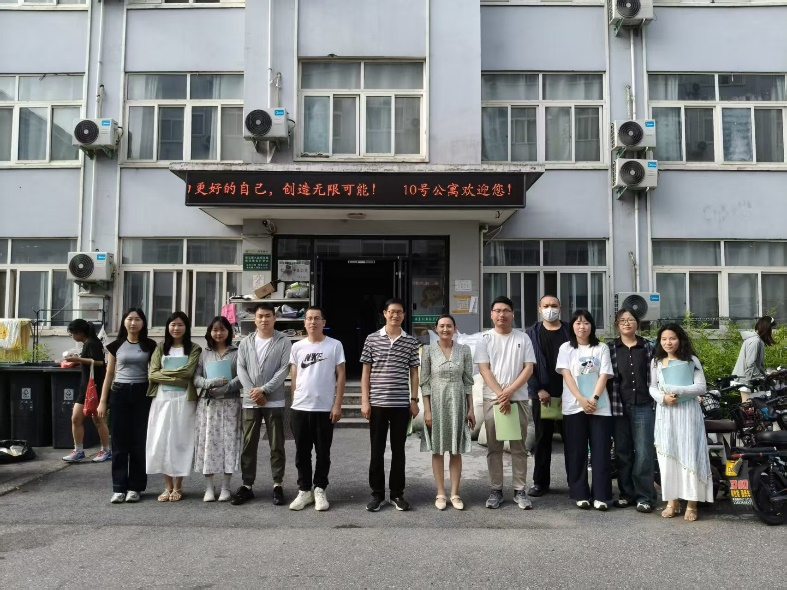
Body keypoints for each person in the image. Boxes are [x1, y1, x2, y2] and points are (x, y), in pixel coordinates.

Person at [475, 296, 536, 510]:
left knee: (519, 447)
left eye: (506, 310)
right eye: (498, 311)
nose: (502, 314)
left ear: (513, 314)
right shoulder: (484, 339)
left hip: (518, 399)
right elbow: (484, 369)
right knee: (494, 448)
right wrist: (501, 394)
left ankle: (520, 490)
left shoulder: (523, 338)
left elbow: (528, 368)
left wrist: (509, 392)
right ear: (491, 314)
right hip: (493, 400)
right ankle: (496, 490)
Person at [360, 297, 420, 512]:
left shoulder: (410, 341)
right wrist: (365, 401)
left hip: (400, 405)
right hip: (377, 403)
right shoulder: (372, 339)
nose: (395, 315)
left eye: (399, 312)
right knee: (376, 451)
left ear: (403, 315)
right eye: (391, 311)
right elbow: (366, 372)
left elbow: (414, 373)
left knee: (398, 451)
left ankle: (397, 494)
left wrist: (414, 400)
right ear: (384, 314)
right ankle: (377, 494)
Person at [649, 323, 712, 522]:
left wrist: (676, 389)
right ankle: (672, 502)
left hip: (687, 412)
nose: (668, 342)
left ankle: (692, 504)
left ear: (680, 339)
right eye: (664, 339)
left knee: (689, 454)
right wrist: (662, 398)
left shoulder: (691, 360)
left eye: (672, 338)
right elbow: (652, 386)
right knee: (668, 456)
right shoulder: (656, 362)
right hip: (666, 413)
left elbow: (701, 387)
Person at [287, 306, 346, 512]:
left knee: (323, 452)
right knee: (301, 453)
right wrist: (295, 400)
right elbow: (294, 376)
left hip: (324, 408)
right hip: (300, 408)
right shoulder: (297, 347)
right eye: (309, 318)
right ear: (304, 322)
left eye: (317, 318)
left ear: (323, 322)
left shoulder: (334, 345)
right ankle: (304, 490)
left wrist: (337, 404)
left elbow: (341, 375)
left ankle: (320, 489)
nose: (313, 322)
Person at [233, 302, 292, 506]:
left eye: (268, 316)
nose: (264, 319)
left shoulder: (283, 341)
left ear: (274, 318)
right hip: (251, 401)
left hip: (274, 400)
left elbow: (284, 369)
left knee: (277, 444)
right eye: (260, 316)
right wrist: (254, 391)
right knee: (249, 444)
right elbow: (240, 368)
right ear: (255, 319)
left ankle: (278, 484)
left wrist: (264, 390)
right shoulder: (245, 342)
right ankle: (247, 485)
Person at [98, 309, 157, 504]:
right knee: (119, 442)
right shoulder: (115, 346)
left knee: (139, 442)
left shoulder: (150, 345)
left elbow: (155, 371)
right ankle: (119, 487)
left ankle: (135, 487)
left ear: (143, 323)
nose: (133, 323)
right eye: (130, 319)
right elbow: (109, 374)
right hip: (119, 393)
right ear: (124, 322)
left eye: (137, 319)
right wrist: (103, 401)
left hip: (142, 394)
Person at [556, 309, 614, 511]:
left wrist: (594, 399)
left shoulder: (601, 348)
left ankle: (602, 495)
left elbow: (604, 374)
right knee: (576, 451)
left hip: (600, 407)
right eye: (578, 323)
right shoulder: (566, 348)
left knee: (601, 451)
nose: (582, 327)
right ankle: (580, 493)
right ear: (572, 326)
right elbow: (566, 375)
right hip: (574, 407)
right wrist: (581, 400)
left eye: (586, 323)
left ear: (592, 326)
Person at [146, 311, 202, 502]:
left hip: (185, 401)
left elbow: (188, 373)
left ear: (186, 327)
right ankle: (167, 486)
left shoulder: (194, 349)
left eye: (180, 325)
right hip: (162, 400)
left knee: (181, 441)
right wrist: (177, 376)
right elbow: (152, 374)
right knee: (162, 440)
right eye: (173, 325)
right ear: (167, 327)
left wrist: (166, 374)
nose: (176, 328)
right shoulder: (160, 347)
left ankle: (178, 485)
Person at [421, 314, 475, 510]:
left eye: (449, 326)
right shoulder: (428, 351)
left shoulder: (464, 350)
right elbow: (424, 383)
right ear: (436, 329)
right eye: (442, 326)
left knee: (455, 449)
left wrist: (470, 408)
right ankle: (440, 493)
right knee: (437, 450)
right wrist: (427, 411)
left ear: (455, 328)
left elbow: (468, 382)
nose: (445, 329)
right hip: (436, 403)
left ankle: (455, 494)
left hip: (458, 403)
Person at [607, 308, 657, 513]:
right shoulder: (610, 348)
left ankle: (645, 496)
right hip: (618, 406)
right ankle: (627, 493)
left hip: (644, 404)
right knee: (622, 452)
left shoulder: (648, 347)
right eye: (622, 320)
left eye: (630, 320)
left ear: (637, 323)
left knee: (644, 453)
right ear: (617, 325)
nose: (627, 323)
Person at [193, 316, 242, 503]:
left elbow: (242, 377)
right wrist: (209, 383)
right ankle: (209, 487)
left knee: (229, 444)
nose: (219, 333)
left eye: (222, 329)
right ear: (209, 332)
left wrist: (226, 388)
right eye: (215, 329)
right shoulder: (204, 353)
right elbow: (196, 377)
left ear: (229, 332)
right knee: (208, 444)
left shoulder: (237, 352)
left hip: (230, 404)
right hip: (209, 404)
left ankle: (226, 487)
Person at [526, 295, 570, 498]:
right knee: (543, 440)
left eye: (553, 305)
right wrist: (537, 390)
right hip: (542, 396)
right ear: (539, 309)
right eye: (546, 306)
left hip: (569, 395)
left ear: (560, 308)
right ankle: (540, 483)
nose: (550, 309)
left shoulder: (570, 331)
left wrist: (571, 391)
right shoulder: (531, 334)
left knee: (572, 441)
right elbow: (527, 365)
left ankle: (575, 482)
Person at [62, 319, 111, 463]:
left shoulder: (92, 343)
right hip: (85, 388)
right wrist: (78, 360)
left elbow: (100, 362)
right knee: (76, 418)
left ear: (80, 333)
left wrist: (78, 359)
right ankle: (78, 450)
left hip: (95, 387)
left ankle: (106, 450)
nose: (72, 336)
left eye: (72, 333)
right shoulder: (87, 343)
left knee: (98, 419)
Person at [733, 316, 776, 400]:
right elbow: (750, 363)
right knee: (748, 405)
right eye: (772, 328)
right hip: (746, 379)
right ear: (767, 328)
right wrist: (761, 377)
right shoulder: (755, 341)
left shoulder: (755, 340)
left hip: (747, 377)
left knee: (751, 404)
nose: (772, 331)